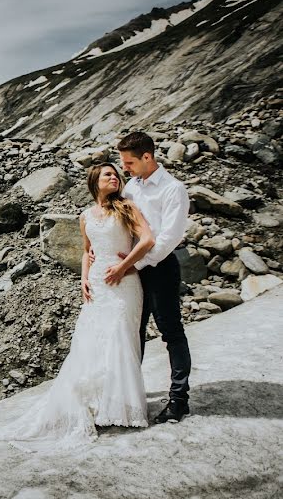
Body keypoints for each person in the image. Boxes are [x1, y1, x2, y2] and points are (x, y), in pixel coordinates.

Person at [0, 162, 154, 447]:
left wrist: (123, 266)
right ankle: (97, 403)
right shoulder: (85, 216)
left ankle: (120, 407)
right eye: (108, 174)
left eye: (116, 174)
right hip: (97, 284)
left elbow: (146, 240)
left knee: (120, 338)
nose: (115, 177)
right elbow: (88, 251)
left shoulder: (126, 208)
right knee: (92, 341)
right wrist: (83, 278)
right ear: (95, 181)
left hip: (124, 283)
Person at [115, 131, 192, 423]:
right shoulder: (131, 187)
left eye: (130, 163)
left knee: (170, 330)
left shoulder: (173, 189)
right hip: (132, 268)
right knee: (134, 331)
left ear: (148, 157)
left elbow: (170, 237)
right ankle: (131, 392)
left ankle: (178, 400)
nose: (125, 168)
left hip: (159, 269)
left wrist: (136, 264)